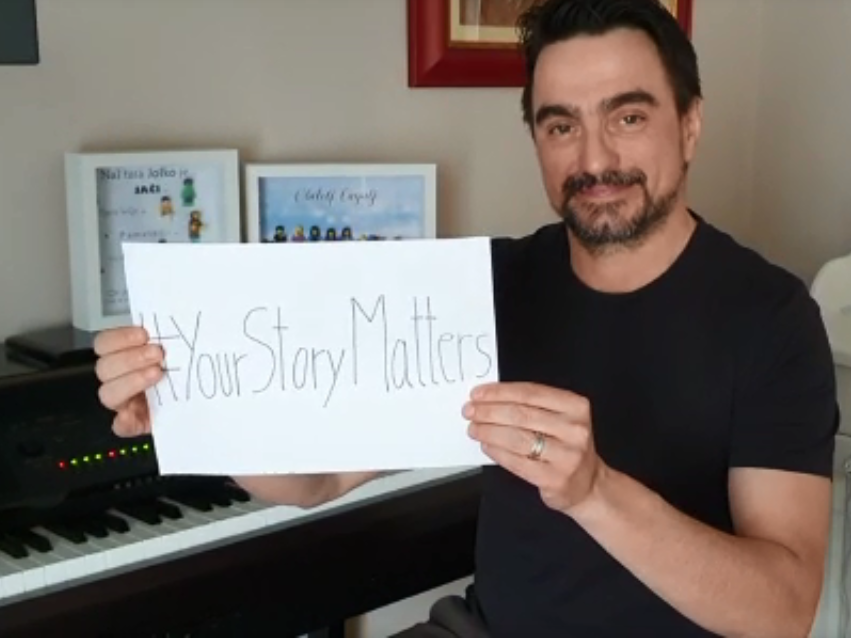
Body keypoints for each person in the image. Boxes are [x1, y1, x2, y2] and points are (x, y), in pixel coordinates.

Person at [93, 0, 840, 636]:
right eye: (560, 126)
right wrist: (196, 404)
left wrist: (594, 493)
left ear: (689, 124)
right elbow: (319, 479)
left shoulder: (772, 320)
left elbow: (780, 613)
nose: (594, 157)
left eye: (628, 116)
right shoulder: (490, 285)